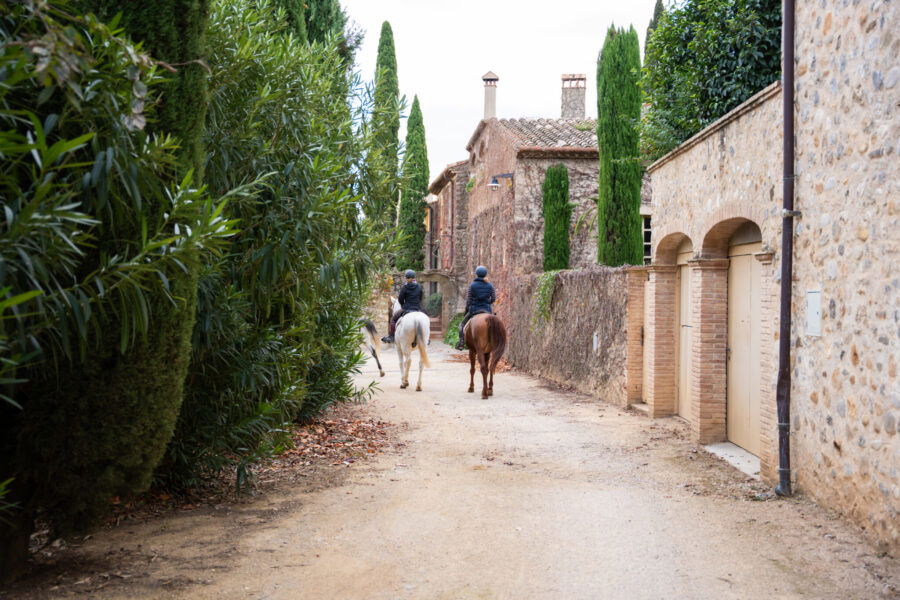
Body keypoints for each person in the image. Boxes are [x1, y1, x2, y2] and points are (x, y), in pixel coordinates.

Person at [455, 265, 496, 351]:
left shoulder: (472, 285)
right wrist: (487, 303)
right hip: (487, 310)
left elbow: (469, 300)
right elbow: (493, 299)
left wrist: (467, 310)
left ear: (476, 274)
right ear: (485, 274)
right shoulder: (490, 285)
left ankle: (461, 342)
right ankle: (496, 342)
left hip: (474, 310)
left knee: (461, 325)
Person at [382, 270, 424, 344]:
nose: (406, 279)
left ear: (407, 278)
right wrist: (417, 305)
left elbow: (400, 299)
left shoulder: (405, 287)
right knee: (425, 319)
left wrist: (403, 306)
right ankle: (426, 338)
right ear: (414, 277)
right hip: (417, 308)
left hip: (407, 308)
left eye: (406, 278)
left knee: (393, 320)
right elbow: (420, 298)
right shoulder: (419, 287)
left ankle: (392, 336)